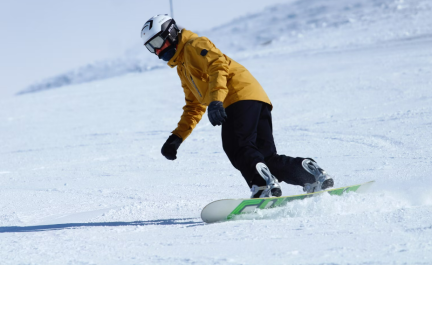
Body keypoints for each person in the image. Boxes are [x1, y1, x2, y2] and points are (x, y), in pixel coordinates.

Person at [141, 14, 334, 198]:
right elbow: (193, 106)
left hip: (237, 97)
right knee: (265, 158)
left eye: (158, 43)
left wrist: (217, 100)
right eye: (151, 48)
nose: (157, 51)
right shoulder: (183, 67)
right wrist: (177, 137)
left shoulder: (194, 44)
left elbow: (217, 64)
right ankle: (310, 174)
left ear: (171, 33)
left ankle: (262, 185)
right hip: (255, 97)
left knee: (237, 146)